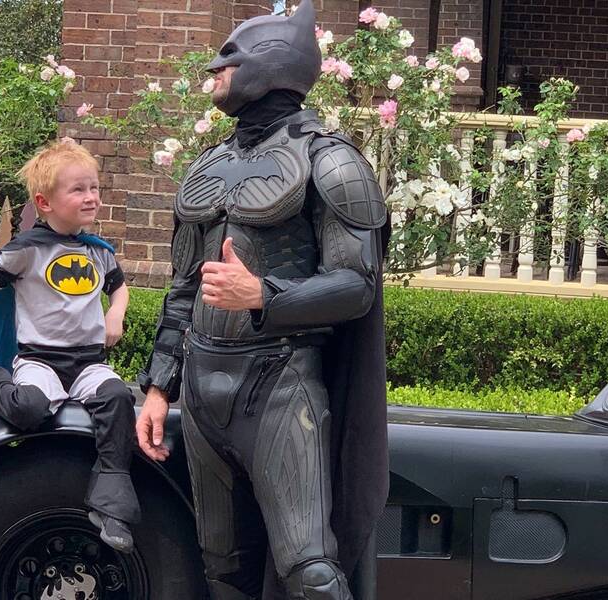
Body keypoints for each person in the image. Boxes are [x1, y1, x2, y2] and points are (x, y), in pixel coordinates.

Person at [134, 2, 390, 599]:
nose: (214, 69)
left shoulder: (331, 161)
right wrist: (157, 387)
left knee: (310, 570)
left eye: (230, 57)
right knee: (223, 571)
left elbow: (358, 286)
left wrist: (263, 295)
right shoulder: (209, 165)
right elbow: (182, 289)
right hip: (202, 387)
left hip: (280, 387)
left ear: (272, 63)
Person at [0, 140, 141, 553]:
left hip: (88, 363)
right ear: (45, 202)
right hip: (40, 360)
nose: (91, 196)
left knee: (117, 398)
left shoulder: (98, 253)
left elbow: (120, 290)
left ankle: (111, 504)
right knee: (28, 409)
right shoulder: (25, 251)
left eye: (94, 187)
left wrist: (115, 314)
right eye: (77, 189)